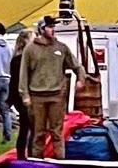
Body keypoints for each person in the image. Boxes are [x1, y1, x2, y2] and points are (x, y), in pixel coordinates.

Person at [21, 16, 79, 158]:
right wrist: (25, 95)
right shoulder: (30, 49)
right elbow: (24, 73)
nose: (52, 29)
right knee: (38, 132)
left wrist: (81, 78)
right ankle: (36, 160)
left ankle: (60, 159)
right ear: (41, 29)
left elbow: (76, 65)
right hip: (36, 96)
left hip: (57, 95)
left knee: (57, 132)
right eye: (49, 27)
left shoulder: (61, 47)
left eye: (53, 27)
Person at [7, 31, 34, 161]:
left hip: (20, 96)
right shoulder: (21, 60)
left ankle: (24, 154)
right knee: (28, 125)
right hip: (23, 96)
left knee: (26, 126)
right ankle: (26, 154)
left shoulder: (18, 59)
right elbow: (15, 81)